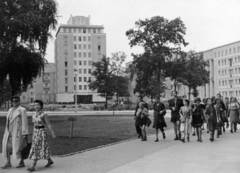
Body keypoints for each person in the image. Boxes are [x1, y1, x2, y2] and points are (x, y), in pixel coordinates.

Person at [27, 100, 56, 172]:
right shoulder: (33, 114)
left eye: (38, 105)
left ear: (41, 106)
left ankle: (33, 166)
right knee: (42, 147)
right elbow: (34, 124)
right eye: (35, 105)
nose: (36, 106)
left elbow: (48, 124)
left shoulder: (44, 114)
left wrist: (52, 132)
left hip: (42, 131)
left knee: (37, 147)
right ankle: (50, 160)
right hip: (36, 132)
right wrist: (33, 133)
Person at [2, 95, 29, 169]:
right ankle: (8, 162)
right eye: (13, 101)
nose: (14, 102)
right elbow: (8, 121)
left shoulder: (22, 110)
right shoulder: (10, 110)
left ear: (19, 101)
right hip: (9, 131)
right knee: (7, 146)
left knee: (20, 147)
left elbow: (24, 121)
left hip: (18, 131)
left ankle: (22, 162)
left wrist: (25, 133)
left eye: (16, 101)